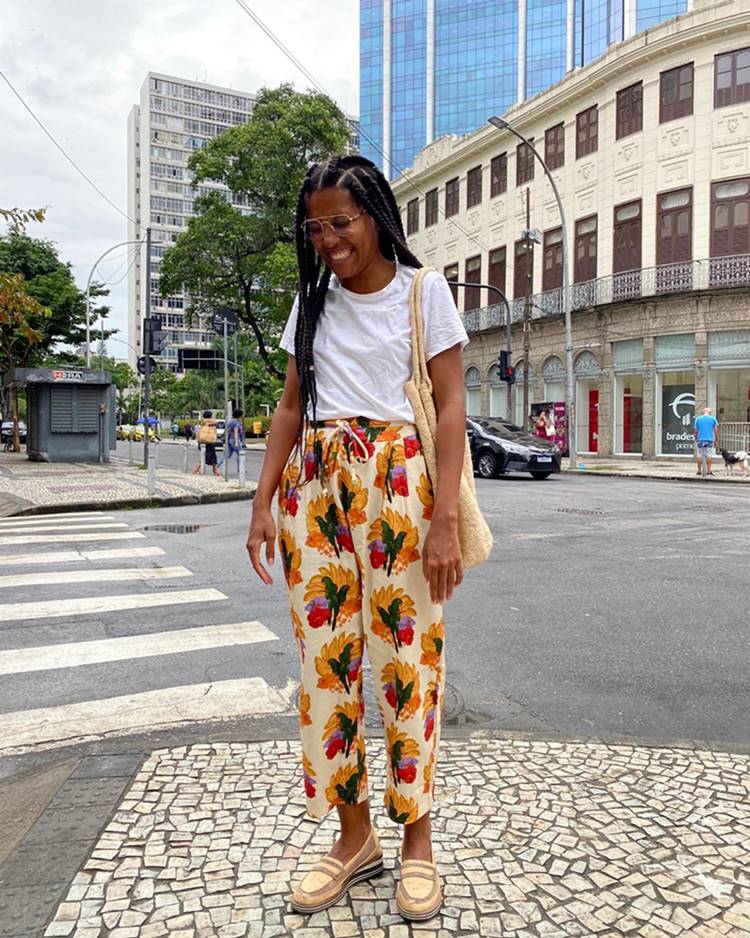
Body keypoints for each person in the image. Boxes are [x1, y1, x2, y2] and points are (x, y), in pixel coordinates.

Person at [246, 154, 468, 922]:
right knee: (325, 668)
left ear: (374, 213)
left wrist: (442, 520)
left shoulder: (423, 292)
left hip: (400, 483)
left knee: (409, 661)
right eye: (316, 228)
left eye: (341, 222)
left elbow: (448, 407)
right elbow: (287, 405)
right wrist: (262, 498)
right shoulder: (310, 303)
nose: (329, 239)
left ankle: (418, 845)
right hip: (315, 486)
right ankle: (353, 839)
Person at [193, 410, 220, 476]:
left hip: (205, 441)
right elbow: (216, 422)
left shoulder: (203, 421)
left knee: (212, 456)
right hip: (208, 441)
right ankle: (196, 469)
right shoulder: (207, 421)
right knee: (206, 456)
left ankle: (215, 470)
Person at [693, 405, 719, 477]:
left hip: (700, 439)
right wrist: (716, 440)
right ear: (710, 413)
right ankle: (709, 470)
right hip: (710, 440)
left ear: (703, 412)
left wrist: (696, 438)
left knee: (699, 454)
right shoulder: (713, 419)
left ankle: (699, 470)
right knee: (709, 455)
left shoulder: (698, 419)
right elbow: (716, 430)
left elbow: (695, 430)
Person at [217, 408, 244, 473]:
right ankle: (240, 469)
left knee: (227, 455)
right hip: (235, 440)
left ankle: (217, 465)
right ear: (239, 415)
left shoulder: (231, 421)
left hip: (230, 440)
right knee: (240, 454)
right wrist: (237, 442)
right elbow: (236, 432)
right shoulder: (236, 422)